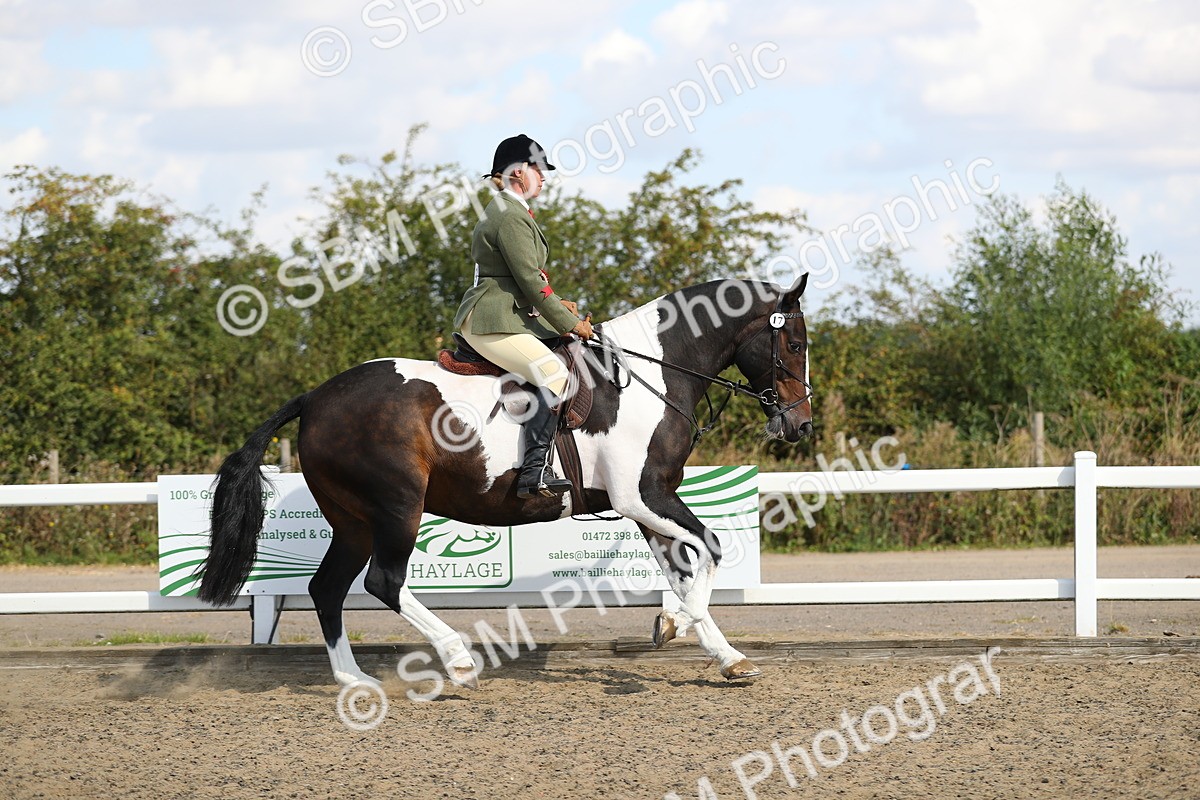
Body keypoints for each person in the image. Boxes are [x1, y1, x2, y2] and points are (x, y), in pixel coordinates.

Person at [453, 134, 594, 499]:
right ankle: (535, 472)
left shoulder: (511, 210)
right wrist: (569, 324)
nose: (544, 178)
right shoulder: (509, 216)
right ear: (518, 172)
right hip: (491, 321)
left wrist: (560, 304)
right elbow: (530, 281)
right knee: (555, 374)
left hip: (505, 314)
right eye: (539, 170)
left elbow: (521, 280)